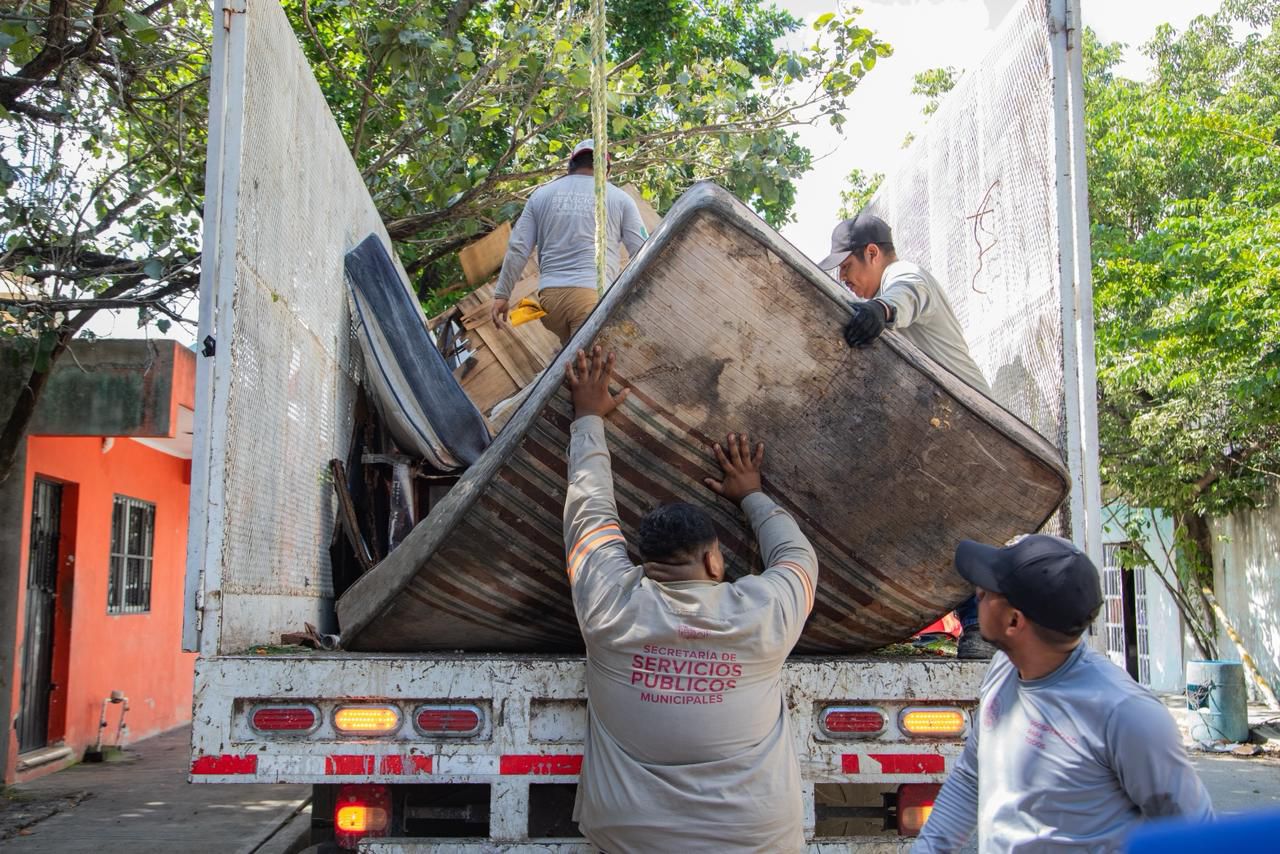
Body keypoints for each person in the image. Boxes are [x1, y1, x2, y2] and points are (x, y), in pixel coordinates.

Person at [562, 345, 818, 853]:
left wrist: (587, 417)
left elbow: (588, 511)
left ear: (643, 561)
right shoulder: (763, 612)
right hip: (754, 838)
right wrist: (751, 493)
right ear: (714, 562)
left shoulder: (609, 604)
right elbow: (796, 554)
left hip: (632, 837)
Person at [912, 534, 1214, 853]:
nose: (978, 592)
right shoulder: (1003, 670)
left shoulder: (1125, 713)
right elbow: (971, 777)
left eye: (990, 590)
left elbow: (1196, 836)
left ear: (1014, 621)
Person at [817, 212, 993, 658]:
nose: (846, 281)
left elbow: (905, 295)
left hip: (971, 427)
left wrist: (881, 309)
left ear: (872, 254)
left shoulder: (904, 275)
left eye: (848, 269)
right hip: (938, 431)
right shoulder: (883, 292)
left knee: (953, 527)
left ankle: (978, 627)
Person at [491, 139, 648, 345]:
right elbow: (642, 251)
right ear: (607, 172)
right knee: (588, 369)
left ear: (570, 166)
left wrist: (502, 295)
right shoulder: (620, 199)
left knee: (573, 364)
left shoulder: (541, 195)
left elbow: (518, 247)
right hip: (590, 298)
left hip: (549, 302)